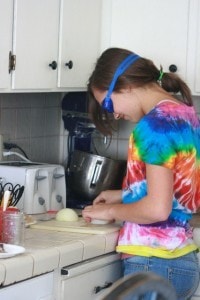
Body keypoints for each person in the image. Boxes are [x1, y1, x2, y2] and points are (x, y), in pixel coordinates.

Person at [82, 47, 200, 299]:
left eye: (108, 103)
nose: (113, 113)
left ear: (125, 86)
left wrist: (110, 211)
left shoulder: (153, 126)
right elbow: (176, 192)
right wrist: (124, 195)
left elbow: (157, 209)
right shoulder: (183, 113)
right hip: (180, 261)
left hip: (154, 263)